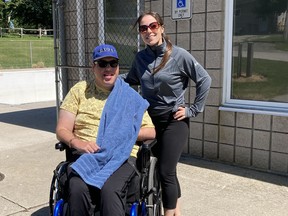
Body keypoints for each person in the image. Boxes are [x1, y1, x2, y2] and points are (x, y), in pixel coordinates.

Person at [123, 12, 212, 216]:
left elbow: (205, 79)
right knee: (157, 171)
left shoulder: (179, 55)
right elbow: (131, 80)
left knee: (165, 171)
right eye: (143, 28)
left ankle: (168, 213)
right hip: (150, 122)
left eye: (153, 26)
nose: (148, 31)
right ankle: (177, 212)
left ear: (162, 28)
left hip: (174, 122)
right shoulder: (141, 58)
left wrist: (193, 109)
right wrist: (108, 80)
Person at [56, 44, 156, 216]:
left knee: (111, 190)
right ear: (93, 66)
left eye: (113, 63)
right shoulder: (80, 91)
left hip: (122, 156)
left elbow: (151, 131)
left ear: (118, 67)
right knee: (77, 187)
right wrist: (76, 142)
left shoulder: (130, 97)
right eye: (102, 63)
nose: (108, 68)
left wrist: (121, 133)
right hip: (86, 155)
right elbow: (62, 128)